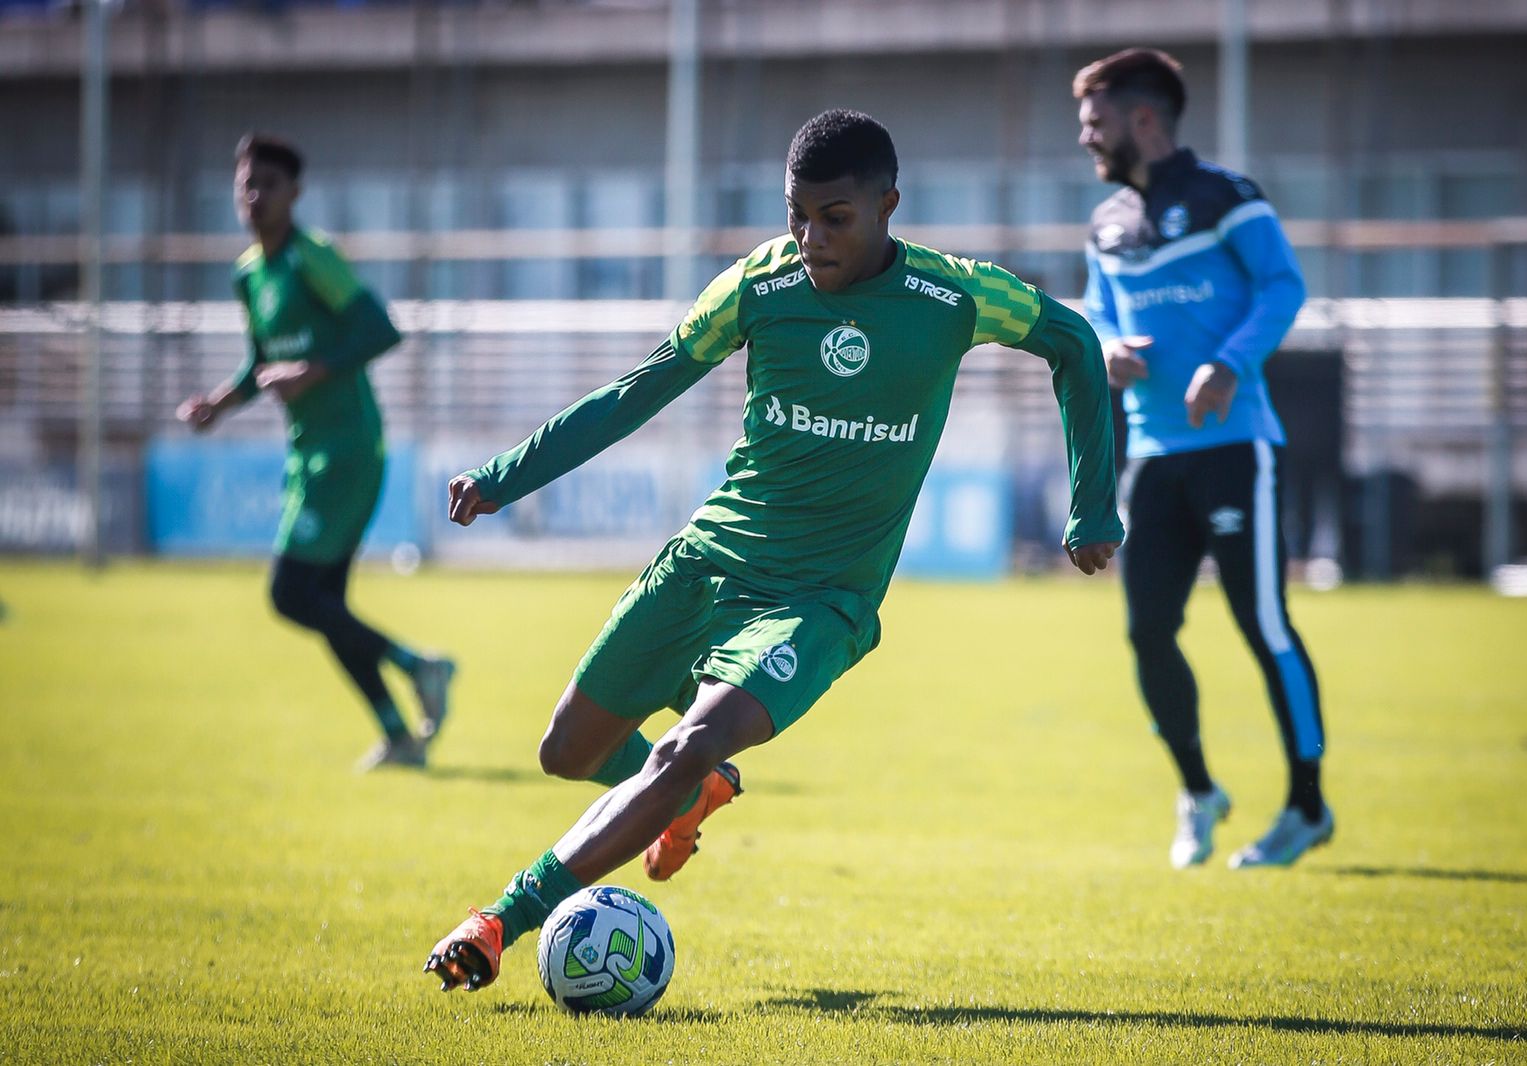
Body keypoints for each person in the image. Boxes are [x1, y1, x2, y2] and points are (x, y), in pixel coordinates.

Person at [423, 109, 1124, 992]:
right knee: (565, 750)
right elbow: (643, 388)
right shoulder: (758, 285)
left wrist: (1092, 503)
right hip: (708, 562)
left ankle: (499, 920)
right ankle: (691, 794)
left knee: (681, 748)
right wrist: (507, 476)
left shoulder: (954, 297)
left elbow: (1073, 341)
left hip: (820, 600)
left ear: (886, 207)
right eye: (796, 215)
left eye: (834, 218)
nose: (809, 237)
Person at [1074, 49, 1331, 869]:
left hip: (1236, 449)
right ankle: (1199, 790)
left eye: (1096, 121)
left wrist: (1229, 363)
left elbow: (1282, 286)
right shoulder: (1106, 223)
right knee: (1148, 632)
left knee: (1263, 625)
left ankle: (1307, 806)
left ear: (1143, 119)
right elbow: (1097, 310)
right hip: (1152, 456)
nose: (1087, 136)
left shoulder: (1228, 198)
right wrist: (1108, 347)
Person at [175, 133, 455, 773]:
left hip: (349, 448)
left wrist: (315, 370)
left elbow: (381, 328)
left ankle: (422, 667)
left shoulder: (311, 259)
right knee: (324, 602)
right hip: (307, 454)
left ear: (294, 194)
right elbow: (262, 363)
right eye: (246, 183)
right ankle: (399, 734)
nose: (254, 196)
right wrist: (219, 403)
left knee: (290, 593)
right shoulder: (250, 274)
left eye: (268, 184)